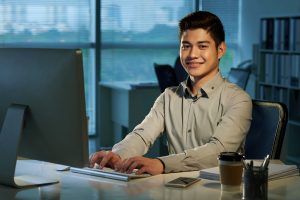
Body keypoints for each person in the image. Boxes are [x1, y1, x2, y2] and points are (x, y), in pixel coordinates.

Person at [90, 11, 252, 175]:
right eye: (186, 46)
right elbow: (142, 135)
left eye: (202, 46)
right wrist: (117, 155)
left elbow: (219, 151)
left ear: (220, 50)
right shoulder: (169, 97)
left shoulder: (238, 100)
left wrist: (161, 164)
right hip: (173, 189)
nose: (192, 54)